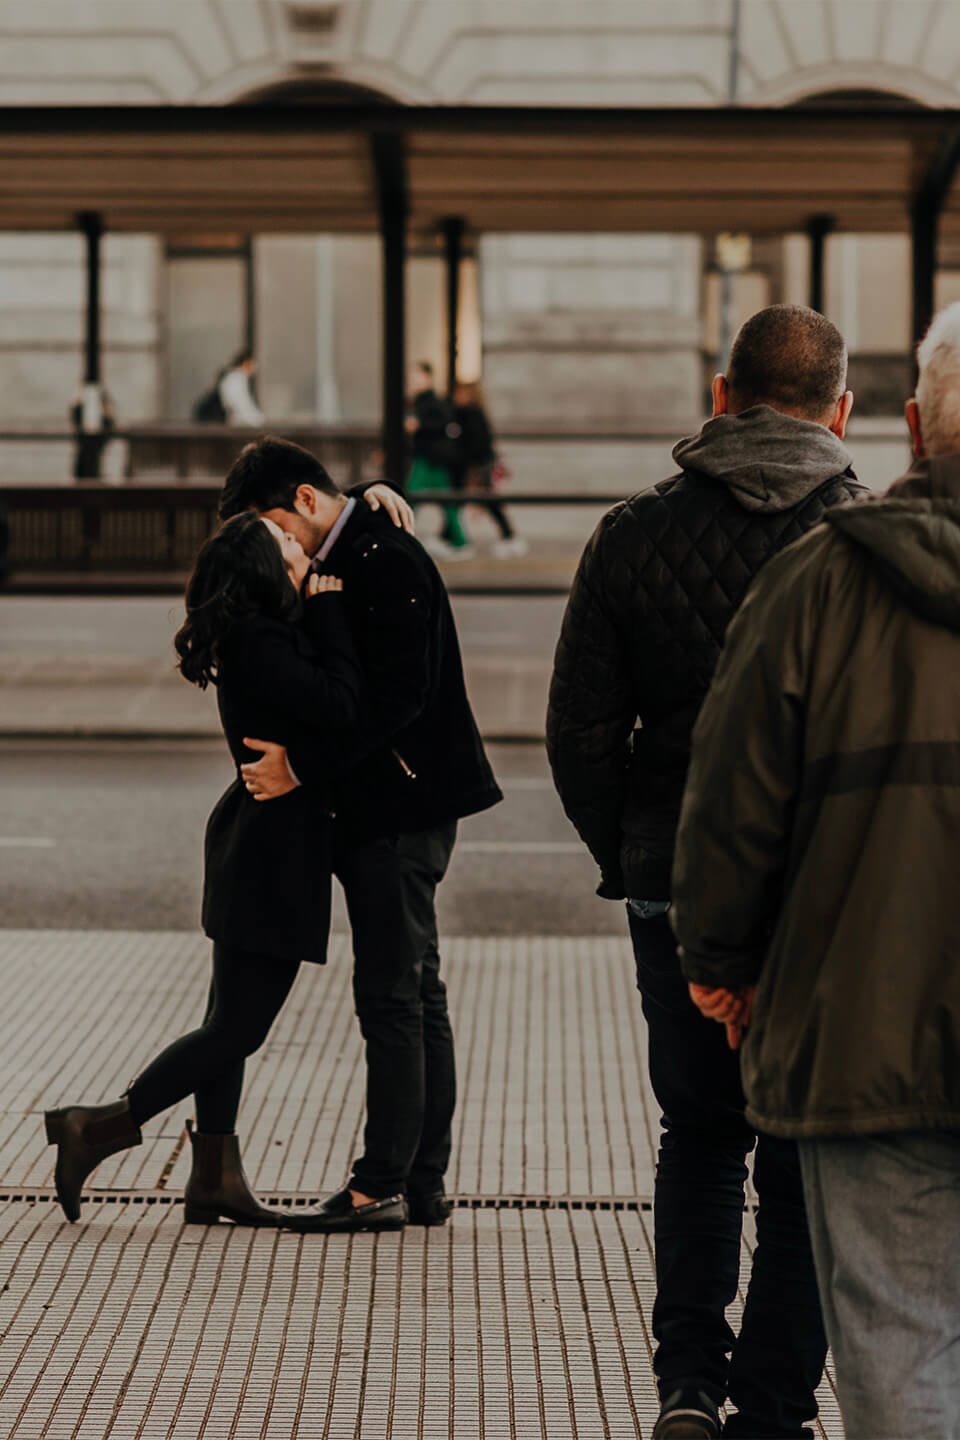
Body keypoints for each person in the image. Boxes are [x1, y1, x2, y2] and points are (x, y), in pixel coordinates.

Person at [546, 305, 865, 1440]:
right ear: (843, 408)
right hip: (821, 902)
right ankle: (772, 1407)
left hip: (672, 884)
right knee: (798, 1151)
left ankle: (686, 1380)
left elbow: (579, 732)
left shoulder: (632, 535)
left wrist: (634, 854)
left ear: (721, 396)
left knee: (697, 1129)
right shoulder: (866, 538)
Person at [674, 303, 960, 1440]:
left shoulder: (819, 585)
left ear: (909, 427)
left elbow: (732, 808)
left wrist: (723, 965)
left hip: (867, 1033)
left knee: (898, 1341)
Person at [44, 510, 362, 1227]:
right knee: (236, 1031)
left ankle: (215, 1177)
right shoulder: (263, 643)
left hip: (257, 842)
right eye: (284, 541)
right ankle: (93, 1130)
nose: (298, 541)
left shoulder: (261, 636)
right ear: (263, 568)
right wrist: (333, 608)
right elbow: (342, 705)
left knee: (227, 1022)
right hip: (269, 853)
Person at [218, 437, 502, 1233]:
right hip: (390, 806)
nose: (276, 546)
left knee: (392, 996)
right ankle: (422, 1178)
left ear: (307, 501)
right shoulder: (364, 539)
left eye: (276, 525)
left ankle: (381, 1183)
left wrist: (301, 768)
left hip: (399, 810)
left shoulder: (381, 558)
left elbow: (397, 700)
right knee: (417, 989)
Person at [406, 360, 473, 558]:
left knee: (413, 497)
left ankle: (400, 535)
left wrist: (419, 425)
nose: (413, 380)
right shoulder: (420, 400)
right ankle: (460, 541)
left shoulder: (431, 401)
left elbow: (441, 425)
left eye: (417, 375)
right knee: (445, 501)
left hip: (430, 458)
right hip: (429, 458)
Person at [452, 380, 527, 559]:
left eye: (460, 393)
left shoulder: (471, 414)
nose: (457, 397)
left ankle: (509, 537)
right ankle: (450, 537)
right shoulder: (471, 414)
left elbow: (476, 443)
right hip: (480, 464)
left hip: (479, 466)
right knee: (460, 500)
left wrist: (469, 463)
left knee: (484, 501)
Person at [193, 351, 264, 427]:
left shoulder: (237, 378)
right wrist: (257, 420)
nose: (255, 368)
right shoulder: (235, 379)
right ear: (246, 363)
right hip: (221, 422)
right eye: (253, 364)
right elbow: (240, 406)